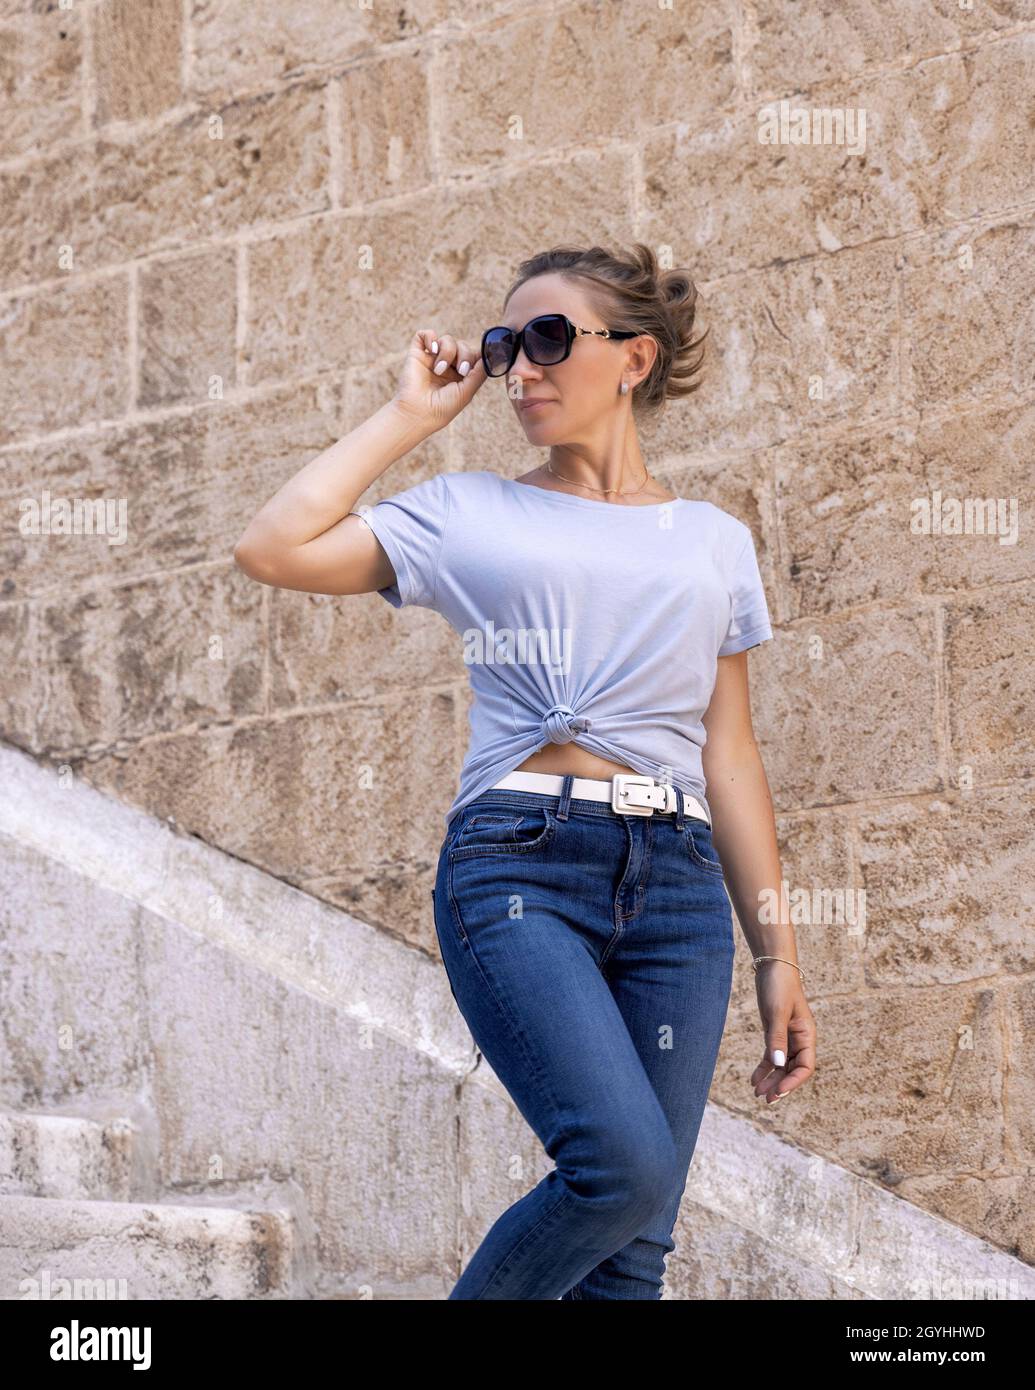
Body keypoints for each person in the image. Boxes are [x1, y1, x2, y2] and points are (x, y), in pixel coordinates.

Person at [234, 242, 816, 1300]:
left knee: (635, 1246)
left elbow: (729, 754)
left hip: (680, 886)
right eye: (506, 347)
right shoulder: (468, 513)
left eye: (547, 339)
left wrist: (778, 950)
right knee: (621, 1170)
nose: (520, 369)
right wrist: (412, 416)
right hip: (521, 866)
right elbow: (272, 545)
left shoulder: (714, 541)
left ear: (633, 360)